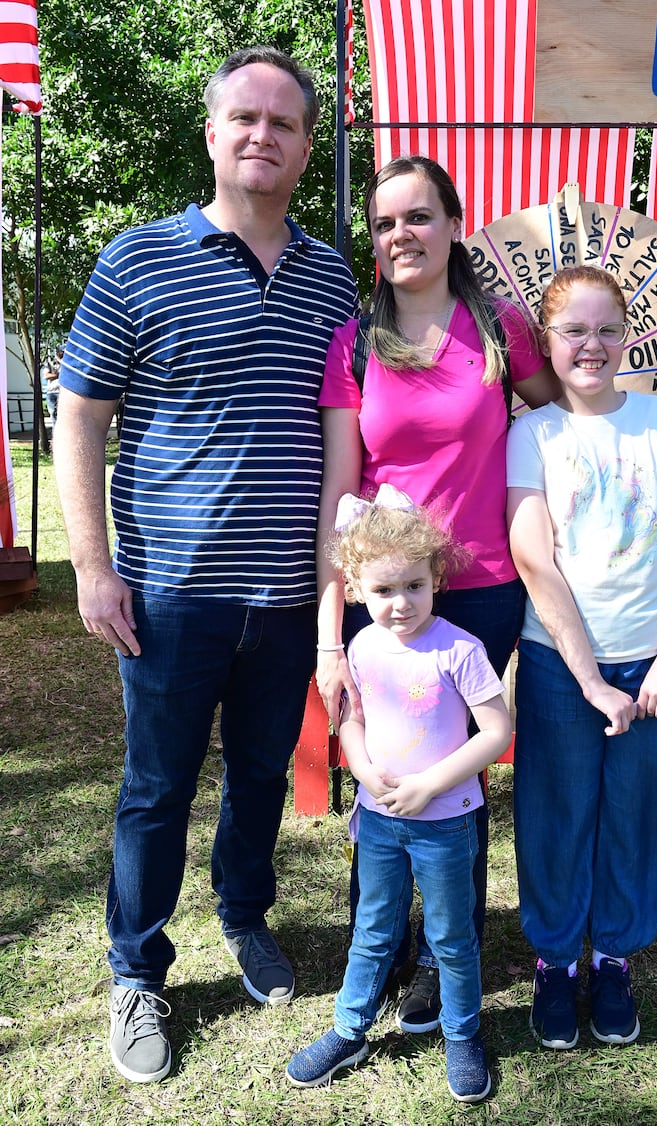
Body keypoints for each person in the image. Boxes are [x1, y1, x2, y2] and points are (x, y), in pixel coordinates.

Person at [54, 46, 359, 1084]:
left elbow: (342, 430)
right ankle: (136, 971)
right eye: (244, 117)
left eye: (283, 123)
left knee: (263, 777)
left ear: (307, 146)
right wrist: (93, 566)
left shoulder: (332, 275)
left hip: (283, 598)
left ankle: (243, 911)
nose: (262, 135)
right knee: (155, 789)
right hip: (171, 595)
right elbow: (80, 418)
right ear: (212, 131)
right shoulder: (135, 260)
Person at [315, 154, 557, 1034]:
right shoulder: (354, 342)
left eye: (417, 217)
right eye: (383, 224)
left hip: (482, 591)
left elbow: (565, 418)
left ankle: (442, 954)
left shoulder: (502, 330)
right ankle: (377, 942)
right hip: (376, 593)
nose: (400, 236)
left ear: (453, 225)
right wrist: (329, 634)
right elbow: (337, 493)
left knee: (453, 778)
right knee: (378, 767)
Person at [506, 266, 657, 1050]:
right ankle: (558, 959)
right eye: (573, 331)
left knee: (637, 812)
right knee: (556, 813)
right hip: (563, 667)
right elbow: (535, 559)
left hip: (650, 664)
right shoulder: (530, 435)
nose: (590, 346)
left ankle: (614, 954)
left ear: (628, 335)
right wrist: (589, 678)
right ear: (548, 342)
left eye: (606, 330)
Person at [286, 490, 512, 1101]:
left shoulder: (459, 650)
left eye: (414, 586)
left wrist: (431, 785)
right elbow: (352, 721)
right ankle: (350, 1029)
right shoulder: (361, 648)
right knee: (372, 928)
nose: (400, 603)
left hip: (446, 821)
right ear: (357, 589)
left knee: (452, 937)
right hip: (379, 821)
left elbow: (497, 730)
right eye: (383, 591)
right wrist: (359, 765)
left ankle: (462, 1034)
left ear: (437, 577)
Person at [43, 345, 64, 431]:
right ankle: (55, 435)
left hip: (63, 392)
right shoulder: (49, 363)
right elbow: (47, 376)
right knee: (53, 414)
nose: (63, 353)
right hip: (51, 393)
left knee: (63, 415)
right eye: (61, 352)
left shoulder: (66, 362)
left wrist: (61, 361)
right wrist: (59, 375)